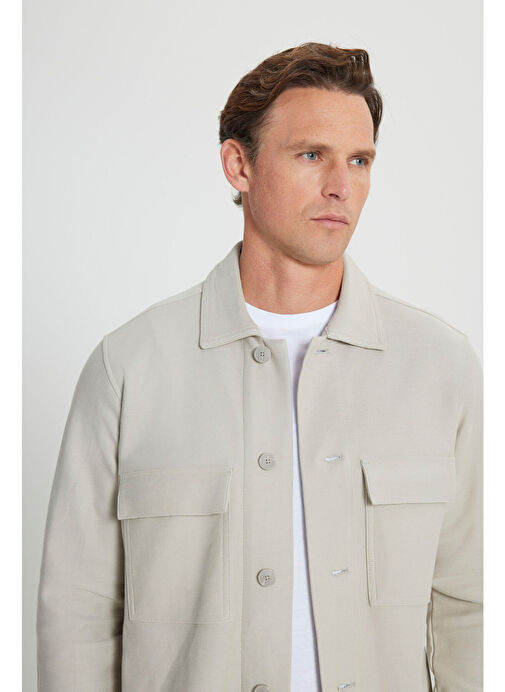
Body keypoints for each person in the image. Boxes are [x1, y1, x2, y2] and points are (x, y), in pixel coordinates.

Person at [36, 42, 483, 692]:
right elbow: (76, 616)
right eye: (312, 155)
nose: (341, 186)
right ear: (238, 165)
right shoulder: (128, 368)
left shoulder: (440, 368)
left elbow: (472, 607)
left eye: (359, 160)